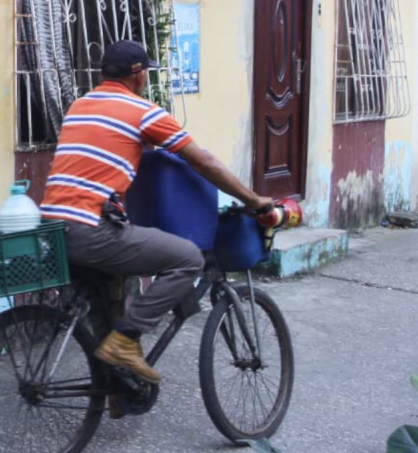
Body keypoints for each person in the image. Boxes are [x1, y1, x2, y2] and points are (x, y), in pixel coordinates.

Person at [40, 40, 272, 384]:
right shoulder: (143, 111)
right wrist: (255, 201)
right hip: (91, 228)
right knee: (188, 258)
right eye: (146, 71)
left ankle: (115, 394)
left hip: (51, 227)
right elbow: (202, 162)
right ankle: (127, 341)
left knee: (108, 297)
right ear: (138, 74)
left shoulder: (80, 106)